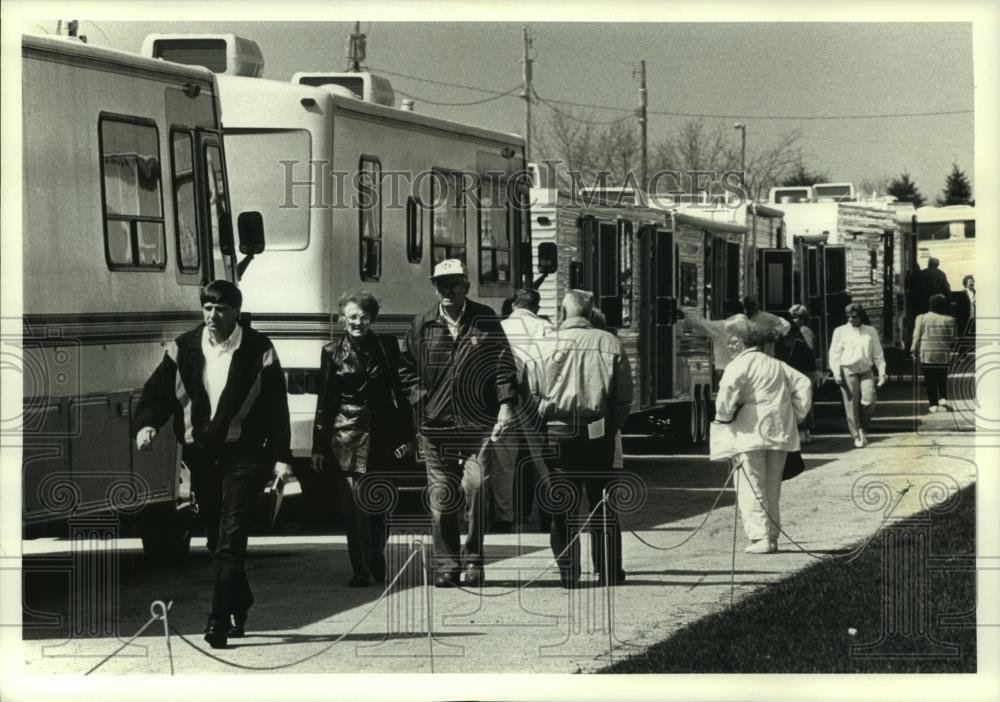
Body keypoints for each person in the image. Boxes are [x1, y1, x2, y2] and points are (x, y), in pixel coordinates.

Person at [133, 280, 293, 649]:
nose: (212, 315)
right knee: (214, 539)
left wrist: (283, 458)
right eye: (207, 308)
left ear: (236, 311)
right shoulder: (184, 346)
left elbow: (276, 406)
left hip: (246, 454)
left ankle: (218, 619)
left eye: (220, 309)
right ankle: (241, 599)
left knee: (231, 538)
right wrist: (147, 424)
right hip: (201, 453)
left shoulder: (259, 349)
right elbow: (157, 390)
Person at [399, 259, 518, 588]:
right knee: (442, 498)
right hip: (436, 429)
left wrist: (506, 406)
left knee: (477, 491)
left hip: (477, 425)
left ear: (466, 285)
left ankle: (474, 561)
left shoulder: (485, 321)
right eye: (440, 284)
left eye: (453, 284)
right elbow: (406, 369)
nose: (446, 290)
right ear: (433, 286)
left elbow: (503, 365)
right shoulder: (422, 324)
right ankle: (447, 565)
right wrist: (419, 400)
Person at [311, 290, 416, 587]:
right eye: (352, 317)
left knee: (381, 504)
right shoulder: (331, 352)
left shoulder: (386, 346)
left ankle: (376, 555)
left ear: (372, 318)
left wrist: (407, 437)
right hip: (348, 435)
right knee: (355, 507)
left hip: (384, 435)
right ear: (343, 318)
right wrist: (319, 446)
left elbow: (399, 393)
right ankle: (361, 567)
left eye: (364, 317)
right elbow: (325, 401)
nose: (358, 322)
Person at [539, 290, 633, 587]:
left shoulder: (545, 343)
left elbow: (531, 392)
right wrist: (610, 425)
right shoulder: (609, 342)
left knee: (562, 506)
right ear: (591, 313)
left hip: (557, 431)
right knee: (602, 503)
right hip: (598, 430)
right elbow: (623, 397)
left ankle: (569, 574)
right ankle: (608, 571)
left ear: (562, 312)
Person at [710, 319, 812, 554]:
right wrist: (797, 414)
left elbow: (727, 393)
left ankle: (760, 537)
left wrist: (723, 417)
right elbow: (804, 384)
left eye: (734, 341)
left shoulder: (738, 365)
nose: (730, 345)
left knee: (750, 486)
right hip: (780, 432)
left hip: (749, 432)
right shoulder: (776, 364)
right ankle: (772, 536)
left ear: (745, 342)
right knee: (771, 487)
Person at [497, 288, 556, 532]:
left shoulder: (499, 328)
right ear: (537, 308)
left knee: (504, 460)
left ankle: (506, 515)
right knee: (540, 459)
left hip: (506, 399)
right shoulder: (547, 329)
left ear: (513, 306)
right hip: (536, 400)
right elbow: (553, 366)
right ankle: (549, 512)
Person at [828, 303, 887, 449]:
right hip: (848, 370)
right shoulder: (840, 331)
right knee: (851, 404)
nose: (850, 319)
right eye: (848, 316)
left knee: (869, 400)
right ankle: (856, 435)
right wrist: (836, 373)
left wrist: (882, 372)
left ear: (860, 316)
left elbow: (878, 353)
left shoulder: (870, 331)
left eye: (854, 316)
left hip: (866, 369)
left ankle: (863, 429)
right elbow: (834, 354)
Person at [910, 293, 957, 414]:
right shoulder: (950, 320)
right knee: (942, 376)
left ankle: (933, 404)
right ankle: (943, 398)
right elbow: (952, 339)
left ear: (930, 305)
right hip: (942, 353)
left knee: (929, 378)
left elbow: (916, 336)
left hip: (926, 353)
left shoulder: (921, 318)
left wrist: (913, 349)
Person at [952, 274, 975, 342]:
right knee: (965, 336)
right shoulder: (962, 294)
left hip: (973, 317)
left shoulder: (975, 292)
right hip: (965, 318)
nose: (972, 283)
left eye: (973, 281)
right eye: (970, 281)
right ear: (965, 283)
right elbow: (959, 309)